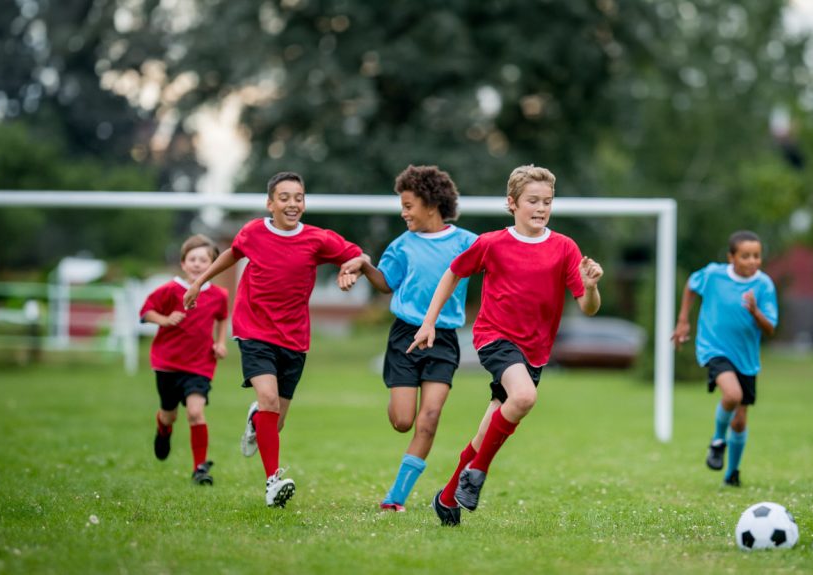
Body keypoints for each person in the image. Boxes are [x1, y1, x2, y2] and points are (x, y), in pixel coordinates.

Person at [408, 165, 604, 526]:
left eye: (547, 201)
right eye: (533, 200)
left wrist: (590, 287)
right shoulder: (492, 243)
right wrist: (429, 320)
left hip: (535, 350)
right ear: (512, 203)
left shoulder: (564, 248)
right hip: (495, 338)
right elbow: (453, 272)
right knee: (525, 398)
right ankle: (478, 473)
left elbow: (588, 308)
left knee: (487, 431)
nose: (541, 207)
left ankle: (448, 496)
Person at [183, 171, 363, 507]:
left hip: (294, 338)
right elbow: (232, 253)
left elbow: (355, 255)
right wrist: (199, 282)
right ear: (270, 203)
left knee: (274, 421)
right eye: (284, 197)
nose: (292, 204)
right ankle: (272, 482)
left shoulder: (318, 239)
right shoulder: (253, 232)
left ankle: (256, 420)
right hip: (253, 330)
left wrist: (347, 269)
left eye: (299, 197)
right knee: (267, 398)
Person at [338, 165, 477, 512]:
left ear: (430, 204)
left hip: (443, 340)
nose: (403, 212)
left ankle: (395, 498)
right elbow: (386, 284)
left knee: (428, 419)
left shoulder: (467, 243)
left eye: (408, 205)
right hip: (405, 337)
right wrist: (365, 265)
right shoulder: (402, 246)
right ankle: (399, 391)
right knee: (403, 421)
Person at [671, 230, 778, 487]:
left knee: (740, 421)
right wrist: (683, 320)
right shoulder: (713, 275)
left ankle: (732, 474)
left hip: (746, 358)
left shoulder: (764, 285)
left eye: (756, 256)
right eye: (746, 256)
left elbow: (770, 328)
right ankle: (718, 440)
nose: (752, 261)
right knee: (732, 395)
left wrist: (755, 311)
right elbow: (691, 286)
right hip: (714, 348)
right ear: (731, 257)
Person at [140, 234, 229, 485]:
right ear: (183, 263)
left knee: (195, 412)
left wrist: (220, 342)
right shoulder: (170, 290)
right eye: (193, 259)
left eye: (204, 259)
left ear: (212, 265)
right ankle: (163, 428)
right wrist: (164, 320)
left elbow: (222, 317)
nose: (198, 264)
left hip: (200, 365)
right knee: (170, 415)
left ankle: (199, 468)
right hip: (167, 364)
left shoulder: (219, 294)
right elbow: (146, 312)